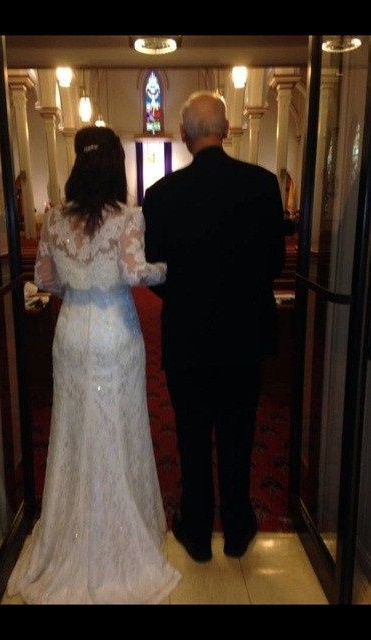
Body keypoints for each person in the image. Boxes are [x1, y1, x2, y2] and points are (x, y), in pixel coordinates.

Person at [6, 126, 180, 604]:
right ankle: (120, 529)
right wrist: (171, 267)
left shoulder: (54, 219)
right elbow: (135, 273)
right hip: (115, 333)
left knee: (73, 427)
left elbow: (44, 279)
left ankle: (71, 530)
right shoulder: (128, 216)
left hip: (71, 332)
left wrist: (77, 288)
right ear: (115, 166)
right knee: (118, 425)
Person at [143, 91, 285, 562]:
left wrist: (188, 298)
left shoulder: (161, 195)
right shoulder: (263, 185)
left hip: (188, 336)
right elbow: (274, 262)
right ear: (225, 130)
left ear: (184, 134)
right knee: (239, 433)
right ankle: (239, 529)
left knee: (191, 436)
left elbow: (155, 271)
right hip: (245, 335)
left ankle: (198, 530)